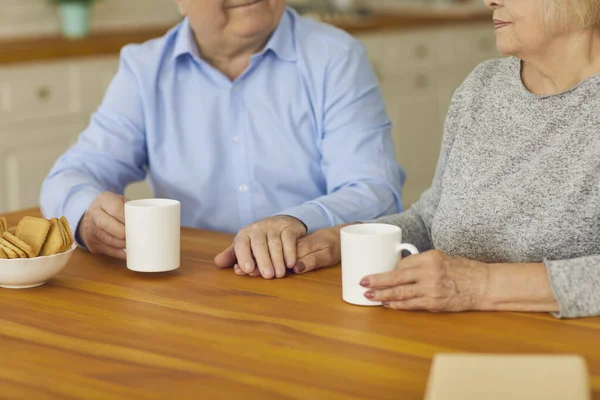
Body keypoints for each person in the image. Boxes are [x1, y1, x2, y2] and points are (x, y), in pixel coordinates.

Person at [224, 0, 600, 319]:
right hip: (448, 338)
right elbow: (429, 219)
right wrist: (343, 241)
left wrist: (482, 286)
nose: (489, 0)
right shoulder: (483, 86)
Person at [41, 0, 406, 277]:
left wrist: (293, 221)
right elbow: (69, 176)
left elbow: (375, 190)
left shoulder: (336, 56)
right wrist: (88, 218)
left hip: (310, 278)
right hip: (196, 280)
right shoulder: (145, 69)